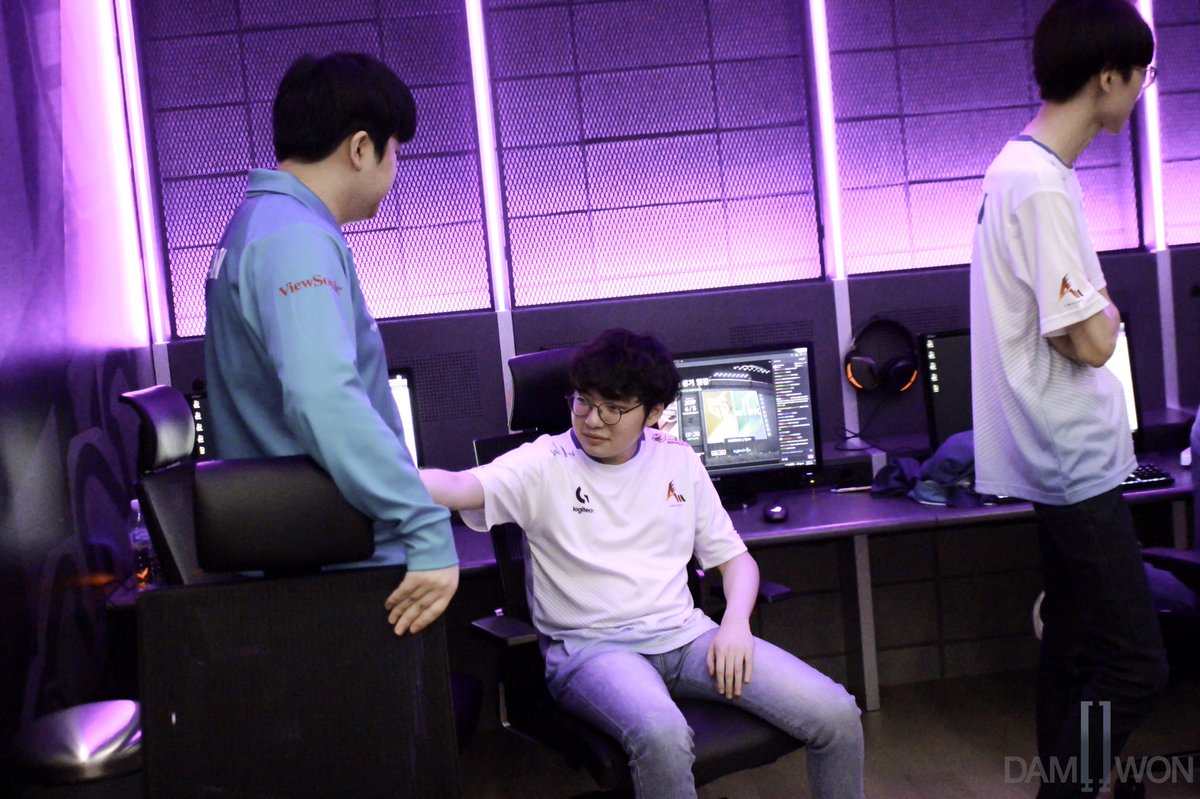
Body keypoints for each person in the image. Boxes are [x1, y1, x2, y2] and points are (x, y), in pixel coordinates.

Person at [418, 328, 864, 799]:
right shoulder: (543, 462)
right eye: (583, 402)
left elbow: (736, 561)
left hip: (687, 639)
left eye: (613, 409)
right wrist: (383, 475)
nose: (593, 420)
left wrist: (735, 624)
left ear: (653, 413)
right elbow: (457, 487)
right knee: (662, 735)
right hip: (594, 652)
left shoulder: (678, 459)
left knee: (837, 715)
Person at [969, 2, 1167, 795]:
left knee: (1077, 649)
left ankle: (1067, 787)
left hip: (1054, 455)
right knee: (1134, 664)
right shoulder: (1041, 186)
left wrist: (1099, 312)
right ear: (1109, 77)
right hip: (1074, 460)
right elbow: (1088, 339)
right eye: (1145, 74)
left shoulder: (1017, 170)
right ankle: (1069, 788)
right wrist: (1107, 315)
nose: (1145, 90)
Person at [204, 52, 457, 636]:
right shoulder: (295, 239)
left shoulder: (260, 223)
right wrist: (424, 527)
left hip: (304, 559)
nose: (395, 171)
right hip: (342, 568)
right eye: (396, 153)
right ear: (361, 148)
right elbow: (323, 397)